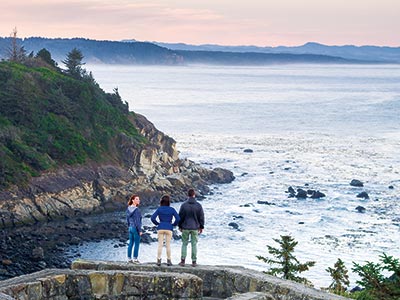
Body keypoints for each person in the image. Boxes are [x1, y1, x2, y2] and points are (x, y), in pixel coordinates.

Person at [151, 194, 180, 266]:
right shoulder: (172, 209)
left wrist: (157, 223)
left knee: (160, 245)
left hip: (160, 227)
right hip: (169, 228)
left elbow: (152, 218)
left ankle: (158, 260)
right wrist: (173, 224)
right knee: (168, 245)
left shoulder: (159, 209)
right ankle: (169, 260)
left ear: (161, 201)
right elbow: (178, 219)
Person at [178, 188, 204, 267]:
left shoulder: (184, 205)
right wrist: (201, 226)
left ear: (187, 195)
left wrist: (180, 225)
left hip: (185, 226)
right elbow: (201, 217)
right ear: (194, 195)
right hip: (195, 227)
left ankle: (183, 260)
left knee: (184, 244)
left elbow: (181, 216)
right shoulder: (198, 205)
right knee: (194, 244)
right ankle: (194, 261)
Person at [126, 194, 142, 263]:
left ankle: (129, 258)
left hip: (130, 228)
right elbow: (137, 221)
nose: (138, 200)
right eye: (136, 199)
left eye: (138, 199)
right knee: (137, 243)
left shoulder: (128, 208)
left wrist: (129, 226)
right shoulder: (136, 210)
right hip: (135, 228)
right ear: (132, 200)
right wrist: (140, 230)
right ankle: (135, 258)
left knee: (130, 243)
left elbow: (127, 219)